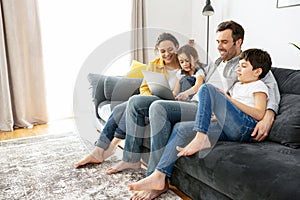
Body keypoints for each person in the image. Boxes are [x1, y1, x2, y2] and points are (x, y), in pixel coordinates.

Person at [110, 20, 280, 200]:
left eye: (224, 42)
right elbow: (199, 82)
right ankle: (135, 162)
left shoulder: (249, 64)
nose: (219, 47)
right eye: (217, 42)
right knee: (138, 102)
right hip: (196, 104)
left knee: (159, 107)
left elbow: (270, 92)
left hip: (214, 110)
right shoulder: (216, 62)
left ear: (238, 42)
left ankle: (155, 177)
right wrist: (183, 93)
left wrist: (268, 115)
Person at [127, 48, 272, 194]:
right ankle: (159, 175)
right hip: (228, 126)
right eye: (239, 65)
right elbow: (229, 113)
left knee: (206, 88)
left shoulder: (258, 86)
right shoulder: (237, 85)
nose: (238, 69)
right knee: (180, 128)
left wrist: (229, 100)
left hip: (245, 127)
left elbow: (259, 113)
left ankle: (200, 137)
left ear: (257, 71)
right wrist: (219, 115)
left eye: (244, 66)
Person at [74, 32, 181, 168]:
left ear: (177, 47)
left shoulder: (185, 64)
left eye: (170, 49)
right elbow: (144, 87)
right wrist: (148, 98)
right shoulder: (154, 64)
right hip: (151, 99)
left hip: (169, 104)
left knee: (132, 103)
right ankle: (99, 150)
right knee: (120, 108)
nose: (167, 54)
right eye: (163, 51)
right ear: (157, 51)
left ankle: (107, 149)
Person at [105, 44, 206, 174]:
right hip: (179, 103)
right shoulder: (180, 74)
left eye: (188, 61)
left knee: (157, 107)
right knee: (135, 100)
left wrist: (186, 93)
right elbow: (175, 90)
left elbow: (198, 85)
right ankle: (131, 159)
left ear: (195, 58)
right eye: (182, 62)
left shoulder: (199, 71)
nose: (185, 64)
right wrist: (171, 95)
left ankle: (153, 174)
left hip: (193, 104)